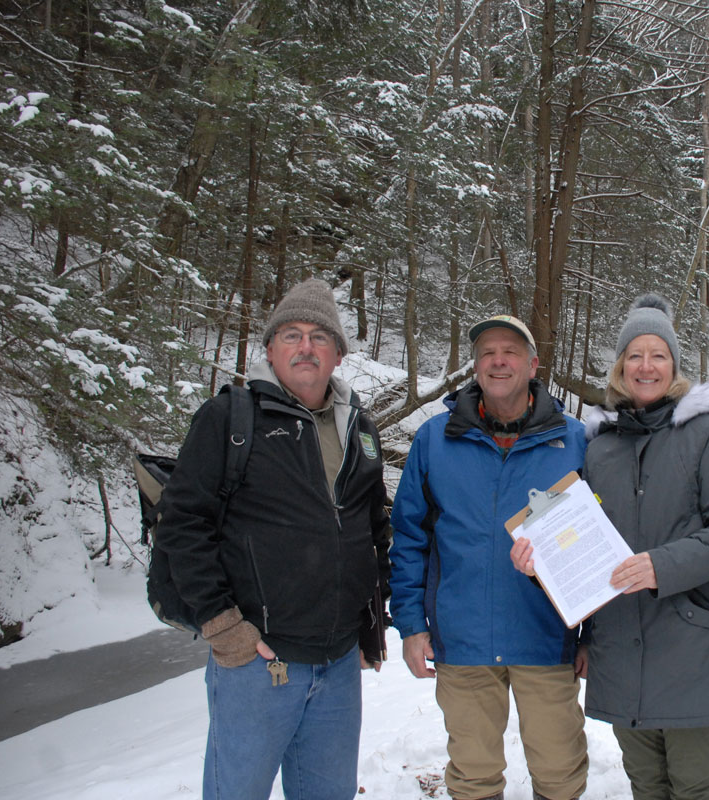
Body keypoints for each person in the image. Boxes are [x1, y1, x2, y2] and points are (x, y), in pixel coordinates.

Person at [512, 294, 709, 800]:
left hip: (693, 640)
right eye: (635, 355)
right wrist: (539, 562)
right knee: (645, 782)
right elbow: (579, 541)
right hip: (621, 644)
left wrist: (660, 566)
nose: (646, 366)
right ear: (621, 367)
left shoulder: (708, 434)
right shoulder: (599, 445)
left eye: (658, 355)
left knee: (691, 783)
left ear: (674, 366)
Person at [156, 278, 392, 800]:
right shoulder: (230, 419)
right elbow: (182, 524)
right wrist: (221, 624)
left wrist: (368, 623)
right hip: (256, 663)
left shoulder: (361, 429)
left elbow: (372, 532)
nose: (305, 347)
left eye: (319, 337)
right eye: (291, 335)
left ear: (337, 356)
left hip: (337, 666)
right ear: (269, 349)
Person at [389, 314, 589, 800]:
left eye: (511, 351)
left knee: (561, 772)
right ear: (475, 366)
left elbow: (598, 547)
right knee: (474, 775)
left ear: (533, 363)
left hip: (544, 636)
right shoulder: (435, 439)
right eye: (487, 353)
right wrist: (412, 625)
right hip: (462, 639)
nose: (499, 361)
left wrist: (594, 637)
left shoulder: (575, 439)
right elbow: (409, 537)